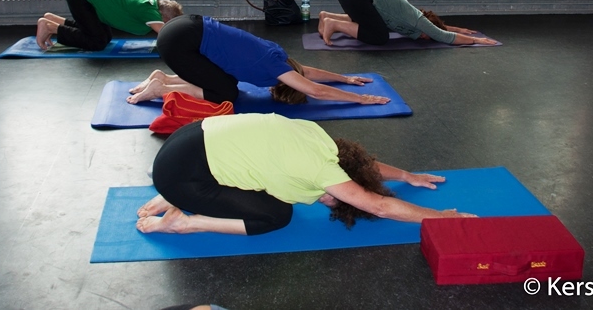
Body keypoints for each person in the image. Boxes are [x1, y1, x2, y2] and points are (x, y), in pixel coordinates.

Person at [136, 113, 475, 236]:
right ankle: (186, 222)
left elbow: (360, 166)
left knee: (261, 174)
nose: (327, 200)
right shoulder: (321, 171)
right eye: (336, 199)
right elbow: (378, 206)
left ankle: (170, 194)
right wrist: (439, 218)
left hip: (184, 143)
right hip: (181, 176)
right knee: (277, 214)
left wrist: (405, 175)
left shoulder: (317, 138)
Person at [126, 14, 391, 106]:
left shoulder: (278, 55)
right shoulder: (275, 68)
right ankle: (161, 89)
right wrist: (361, 99)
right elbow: (315, 90)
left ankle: (163, 77)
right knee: (226, 93)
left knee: (222, 78)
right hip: (178, 43)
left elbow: (307, 72)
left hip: (186, 26)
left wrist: (344, 78)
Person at [319, 0, 499, 47]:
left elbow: (440, 29)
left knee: (373, 23)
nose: (427, 37)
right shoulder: (417, 20)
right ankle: (333, 24)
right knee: (379, 37)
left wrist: (458, 29)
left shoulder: (410, 19)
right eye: (429, 34)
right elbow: (444, 36)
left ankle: (327, 16)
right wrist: (477, 40)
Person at [35, 0, 183, 51]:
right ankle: (49, 27)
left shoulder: (150, 2)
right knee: (97, 41)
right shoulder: (149, 11)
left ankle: (54, 21)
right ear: (164, 17)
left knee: (104, 36)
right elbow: (167, 34)